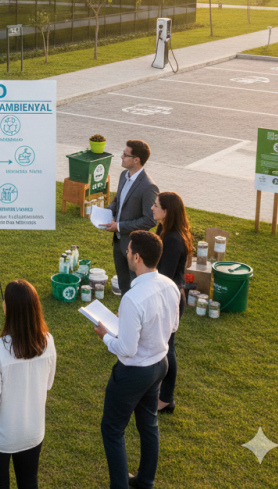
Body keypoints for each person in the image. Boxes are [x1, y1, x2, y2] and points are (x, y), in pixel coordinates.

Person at [93, 231, 180, 489]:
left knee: (112, 430)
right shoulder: (170, 285)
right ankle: (145, 482)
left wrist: (105, 336)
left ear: (137, 257)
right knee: (149, 425)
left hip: (133, 373)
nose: (126, 253)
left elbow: (127, 349)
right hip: (159, 365)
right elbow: (173, 326)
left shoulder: (132, 298)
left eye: (129, 250)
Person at [0, 280, 56, 489]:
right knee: (29, 482)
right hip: (32, 432)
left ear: (8, 308)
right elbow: (48, 384)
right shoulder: (48, 341)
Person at [152, 191, 193, 414]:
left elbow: (164, 276)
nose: (152, 208)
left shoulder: (173, 240)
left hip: (170, 299)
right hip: (165, 296)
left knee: (168, 347)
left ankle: (167, 399)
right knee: (163, 344)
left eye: (156, 205)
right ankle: (160, 391)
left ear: (166, 211)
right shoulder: (163, 231)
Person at [104, 140, 159, 294]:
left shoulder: (148, 186)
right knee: (123, 286)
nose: (122, 157)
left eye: (125, 154)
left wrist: (120, 226)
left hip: (134, 247)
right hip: (118, 243)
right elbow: (118, 201)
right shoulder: (124, 175)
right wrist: (105, 213)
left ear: (136, 160)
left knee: (135, 288)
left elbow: (150, 220)